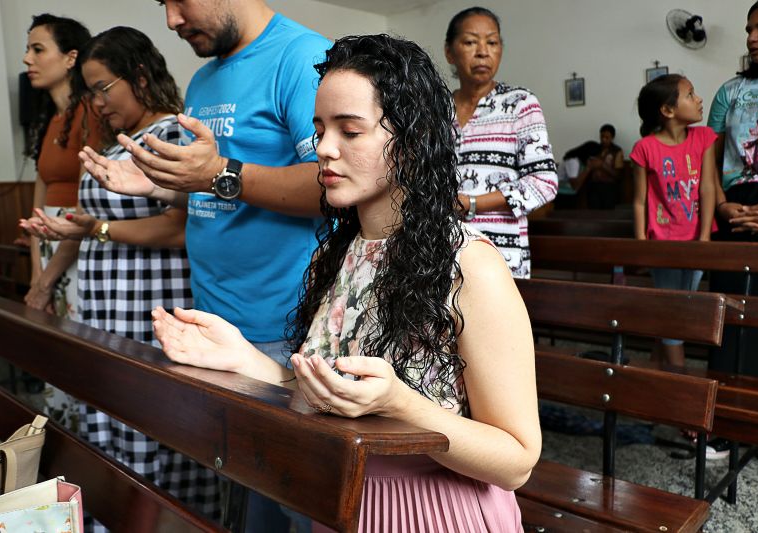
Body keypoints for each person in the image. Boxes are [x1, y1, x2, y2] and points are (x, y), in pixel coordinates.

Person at [151, 34, 541, 533]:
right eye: (320, 129)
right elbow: (325, 395)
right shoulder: (338, 255)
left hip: (433, 512)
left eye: (349, 131)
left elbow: (516, 460)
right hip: (343, 502)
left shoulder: (470, 266)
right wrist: (242, 359)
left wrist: (400, 403)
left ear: (412, 139)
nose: (323, 149)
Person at [77, 2, 330, 531]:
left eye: (179, 0)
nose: (171, 19)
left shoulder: (301, 56)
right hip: (215, 325)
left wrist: (219, 173)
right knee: (243, 503)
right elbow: (212, 196)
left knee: (296, 504)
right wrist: (157, 187)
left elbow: (334, 187)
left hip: (283, 327)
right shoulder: (204, 78)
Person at [21, 26, 220, 531]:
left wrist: (101, 228)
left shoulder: (177, 137)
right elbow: (93, 224)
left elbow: (181, 229)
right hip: (106, 308)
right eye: (90, 92)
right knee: (107, 431)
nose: (97, 102)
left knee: (154, 436)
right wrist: (68, 232)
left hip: (152, 307)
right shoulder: (111, 145)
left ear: (139, 75)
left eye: (103, 87)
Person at [21, 13, 99, 426]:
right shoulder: (49, 118)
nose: (27, 58)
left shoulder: (91, 112)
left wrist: (48, 277)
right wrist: (37, 274)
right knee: (52, 347)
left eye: (38, 49)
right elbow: (37, 197)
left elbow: (88, 208)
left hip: (77, 246)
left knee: (77, 352)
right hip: (47, 243)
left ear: (71, 58)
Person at [444, 6, 557, 279]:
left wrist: (472, 203)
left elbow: (545, 181)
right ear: (450, 51)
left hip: (499, 253)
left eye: (492, 42)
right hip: (441, 249)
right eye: (470, 42)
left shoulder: (520, 103)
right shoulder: (436, 108)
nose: (483, 51)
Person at [631, 74, 716, 370]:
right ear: (667, 110)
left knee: (679, 306)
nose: (698, 99)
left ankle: (656, 367)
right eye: (690, 94)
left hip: (695, 240)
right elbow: (640, 201)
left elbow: (707, 188)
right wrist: (642, 246)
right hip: (663, 245)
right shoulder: (645, 148)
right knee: (675, 312)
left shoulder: (703, 138)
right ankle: (680, 380)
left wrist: (705, 238)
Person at [707, 0, 758, 380]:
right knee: (728, 313)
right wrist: (721, 204)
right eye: (749, 29)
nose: (752, 37)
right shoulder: (729, 91)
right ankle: (724, 420)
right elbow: (707, 158)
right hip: (734, 204)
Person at [586, 124, 625, 209]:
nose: (604, 139)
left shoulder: (617, 151)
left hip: (609, 188)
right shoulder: (595, 149)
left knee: (608, 214)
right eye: (602, 137)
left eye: (607, 137)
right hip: (594, 187)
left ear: (612, 138)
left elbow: (618, 175)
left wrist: (602, 165)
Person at [555, 141, 602, 210]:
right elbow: (575, 186)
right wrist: (589, 168)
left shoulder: (582, 162)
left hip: (571, 194)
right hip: (562, 195)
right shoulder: (573, 161)